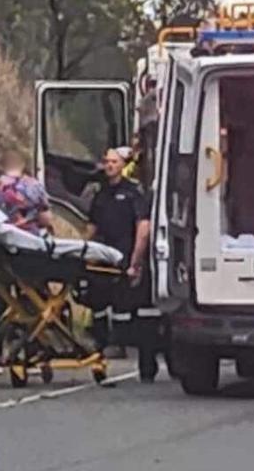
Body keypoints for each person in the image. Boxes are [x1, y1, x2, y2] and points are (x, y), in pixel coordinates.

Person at [86, 148, 150, 360]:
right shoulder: (100, 194)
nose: (110, 165)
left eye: (114, 162)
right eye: (107, 162)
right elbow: (92, 226)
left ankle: (120, 343)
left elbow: (142, 227)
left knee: (122, 301)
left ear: (123, 165)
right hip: (102, 253)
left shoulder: (133, 192)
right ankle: (100, 341)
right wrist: (83, 250)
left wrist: (136, 260)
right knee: (98, 299)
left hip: (124, 251)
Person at [0, 148, 53, 235]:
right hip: (29, 240)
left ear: (2, 166)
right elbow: (45, 219)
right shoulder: (35, 186)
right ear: (22, 165)